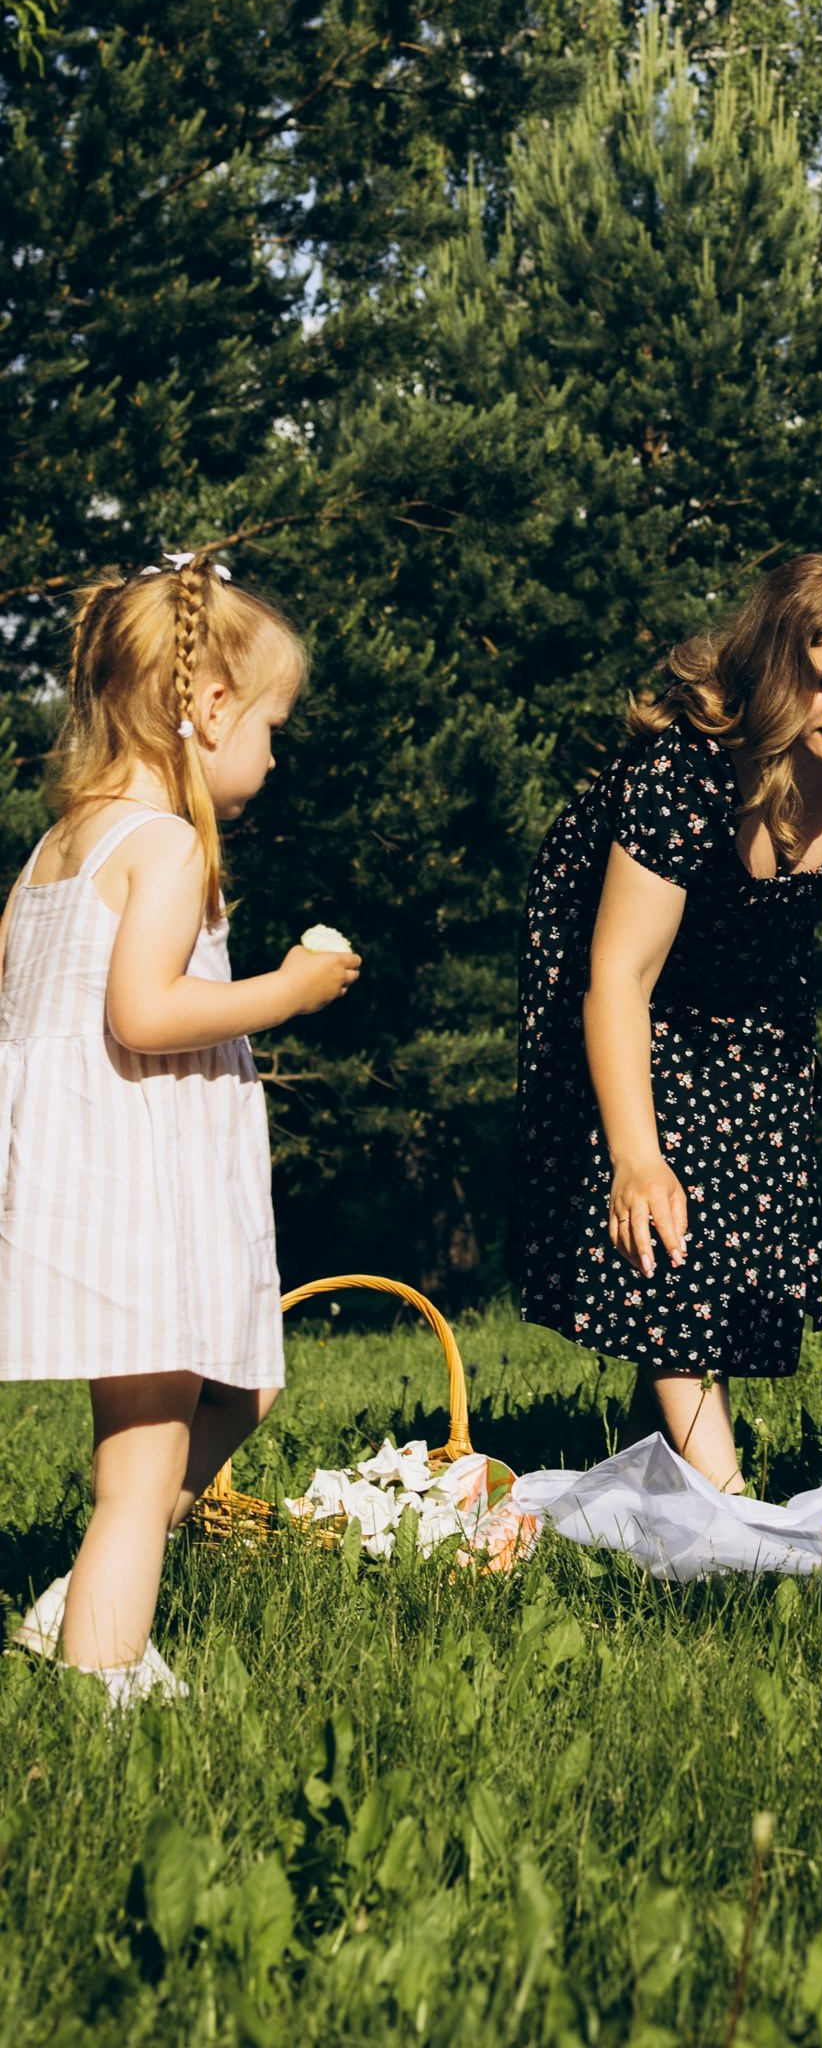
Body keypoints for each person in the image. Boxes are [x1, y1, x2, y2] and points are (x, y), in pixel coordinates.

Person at [509, 553, 822, 1494]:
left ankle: (647, 1481)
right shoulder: (689, 770)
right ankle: (727, 1505)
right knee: (671, 1209)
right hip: (617, 971)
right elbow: (620, 975)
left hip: (751, 978)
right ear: (776, 672)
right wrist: (635, 1155)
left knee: (741, 1215)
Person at [0, 557, 363, 1702]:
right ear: (207, 709)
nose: (274, 754)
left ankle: (82, 1602)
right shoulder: (164, 845)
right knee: (140, 1467)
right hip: (132, 1203)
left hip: (85, 1190)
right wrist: (287, 990)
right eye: (270, 727)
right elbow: (143, 1014)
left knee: (244, 1390)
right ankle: (100, 1673)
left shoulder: (56, 852)